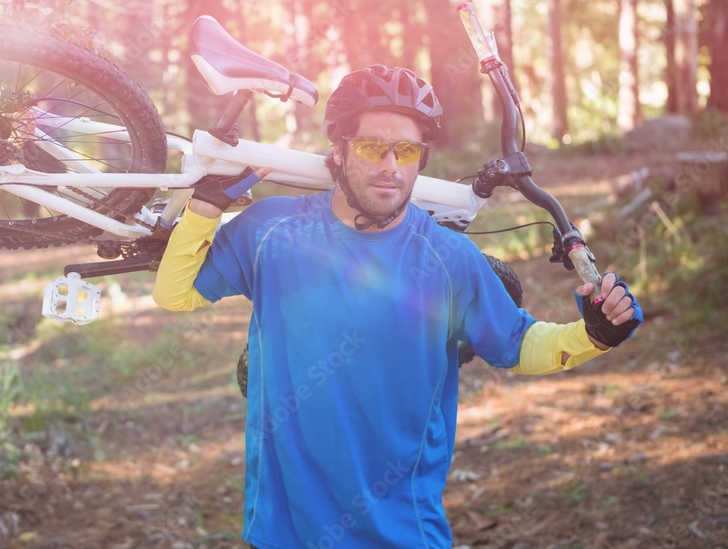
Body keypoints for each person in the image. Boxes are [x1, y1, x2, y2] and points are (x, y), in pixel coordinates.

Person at [152, 64, 643, 549]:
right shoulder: (271, 230)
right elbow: (176, 293)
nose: (390, 166)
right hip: (283, 531)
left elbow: (518, 345)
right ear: (339, 151)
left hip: (401, 535)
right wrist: (205, 209)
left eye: (406, 150)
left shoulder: (448, 258)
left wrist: (595, 335)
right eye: (371, 147)